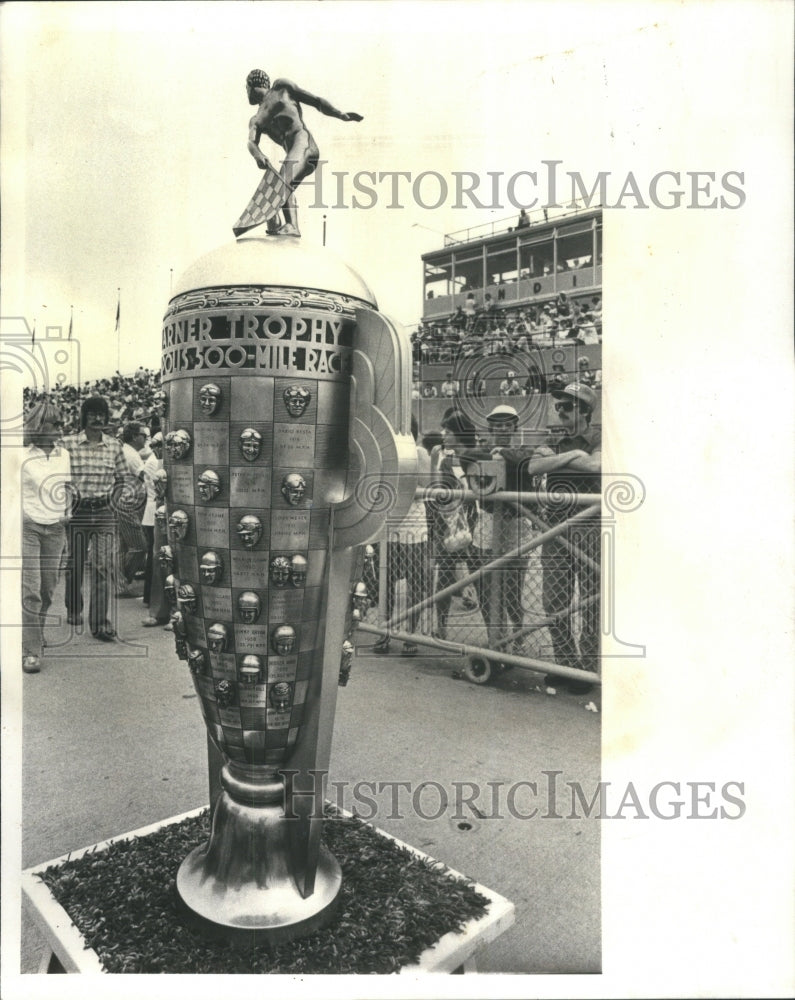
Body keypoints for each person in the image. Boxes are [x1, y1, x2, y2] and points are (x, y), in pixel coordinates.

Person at [245, 69, 363, 236]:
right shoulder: (255, 119)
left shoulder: (281, 87)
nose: (246, 92)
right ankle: (275, 222)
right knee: (282, 184)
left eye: (246, 88)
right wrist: (258, 155)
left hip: (304, 145)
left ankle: (292, 226)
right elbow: (251, 142)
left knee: (281, 183)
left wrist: (340, 114)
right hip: (294, 153)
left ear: (252, 85)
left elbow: (316, 102)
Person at [539, 383, 601, 694]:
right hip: (555, 527)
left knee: (591, 599)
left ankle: (587, 669)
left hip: (589, 528)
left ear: (585, 411)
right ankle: (565, 662)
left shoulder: (601, 437)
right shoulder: (554, 439)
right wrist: (576, 454)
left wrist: (566, 456)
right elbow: (534, 465)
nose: (559, 411)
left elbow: (597, 465)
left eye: (567, 406)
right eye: (558, 406)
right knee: (553, 599)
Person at [63, 396, 130, 641]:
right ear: (84, 416)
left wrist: (112, 503)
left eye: (102, 414)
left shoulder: (115, 445)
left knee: (103, 567)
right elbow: (59, 477)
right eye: (93, 414)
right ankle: (73, 605)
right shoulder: (67, 443)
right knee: (75, 565)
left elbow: (122, 479)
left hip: (103, 512)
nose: (98, 418)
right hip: (78, 512)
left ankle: (100, 623)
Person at [373, 416, 431, 656]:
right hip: (388, 524)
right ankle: (384, 632)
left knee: (415, 582)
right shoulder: (386, 451)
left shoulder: (419, 453)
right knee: (385, 581)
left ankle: (411, 633)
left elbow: (424, 486)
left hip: (413, 525)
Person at [21, 401, 72, 673]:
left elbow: (66, 487)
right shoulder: (20, 455)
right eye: (55, 425)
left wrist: (68, 511)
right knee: (31, 590)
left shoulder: (64, 454)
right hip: (28, 526)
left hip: (56, 527)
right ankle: (30, 651)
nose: (60, 429)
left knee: (48, 589)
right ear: (39, 427)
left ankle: (34, 634)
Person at [429, 412, 479, 641]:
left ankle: (503, 635)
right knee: (445, 577)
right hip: (448, 524)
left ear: (459, 435)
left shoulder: (475, 456)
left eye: (448, 432)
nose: (444, 435)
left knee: (483, 577)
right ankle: (441, 626)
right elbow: (437, 486)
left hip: (475, 523)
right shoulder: (443, 457)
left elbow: (474, 490)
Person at [117, 422, 148, 597]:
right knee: (139, 546)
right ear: (135, 436)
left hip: (124, 501)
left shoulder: (127, 451)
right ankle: (121, 581)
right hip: (128, 504)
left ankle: (119, 584)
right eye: (143, 435)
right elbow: (146, 478)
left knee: (122, 546)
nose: (145, 438)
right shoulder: (131, 454)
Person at [140, 432, 164, 617]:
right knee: (154, 557)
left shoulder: (153, 460)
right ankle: (150, 597)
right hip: (154, 508)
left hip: (152, 508)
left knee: (153, 557)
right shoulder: (156, 462)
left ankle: (149, 596)